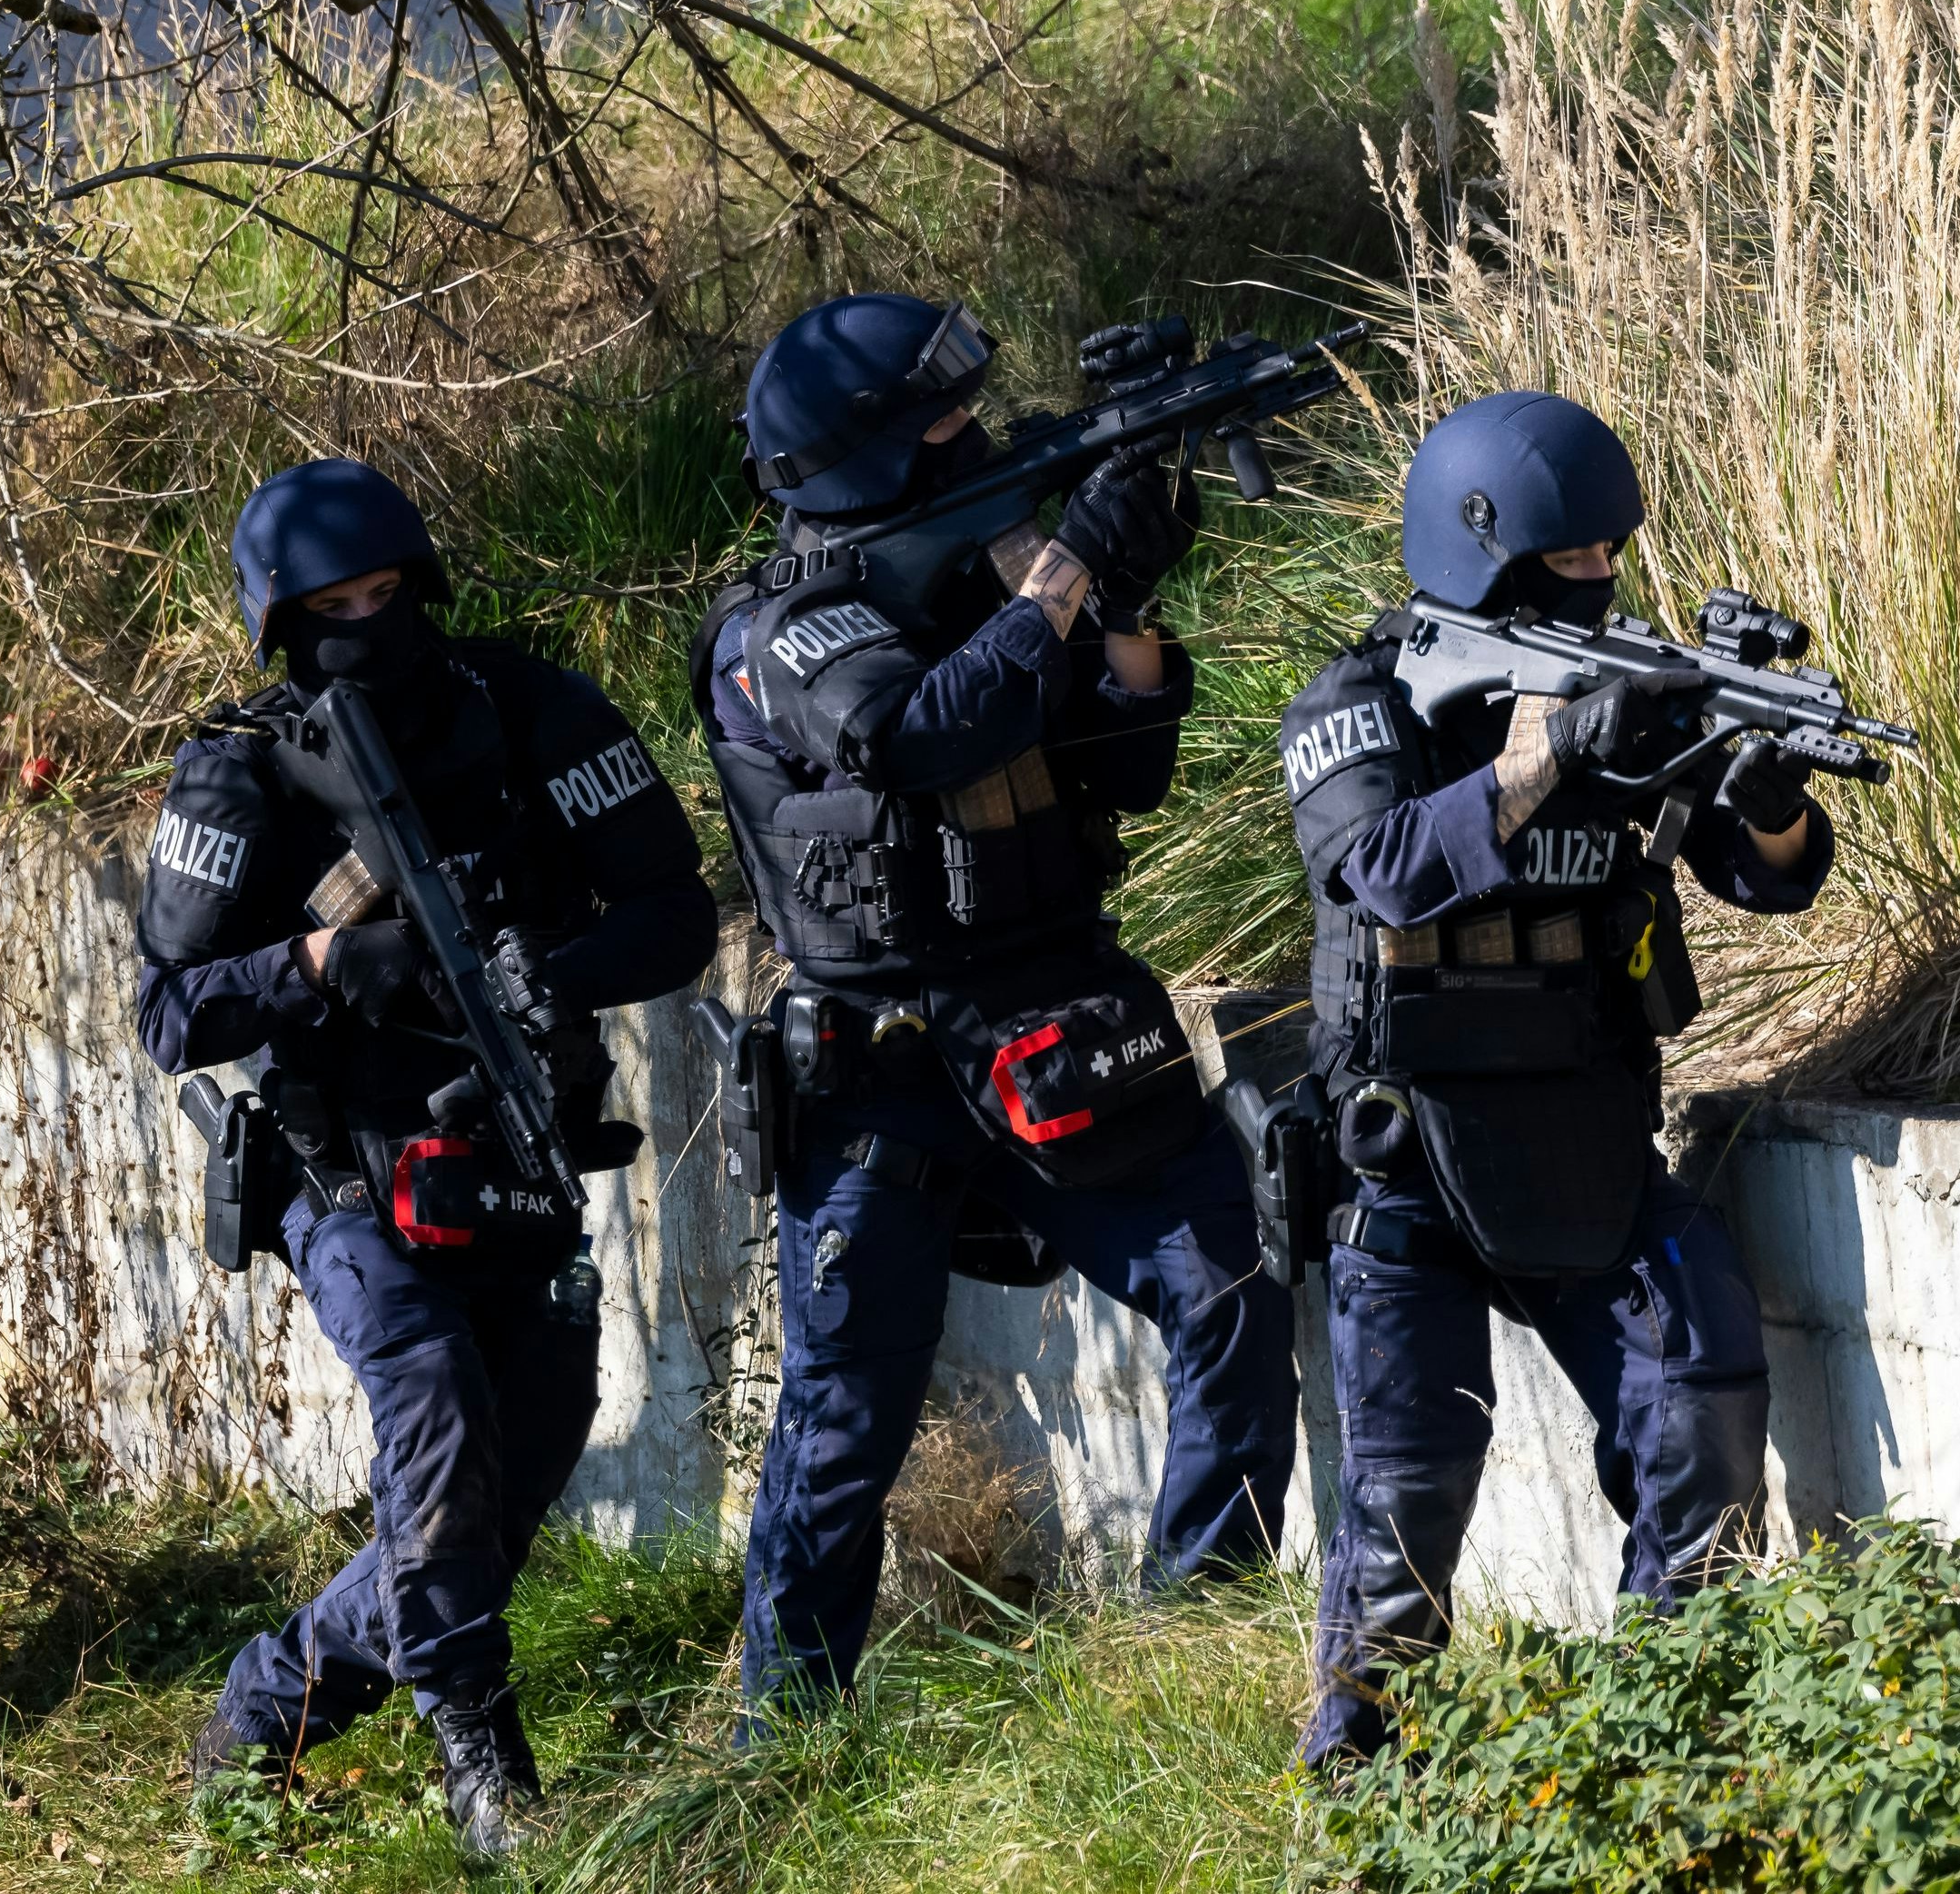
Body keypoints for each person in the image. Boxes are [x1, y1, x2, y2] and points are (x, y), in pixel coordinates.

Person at [694, 293, 1298, 1719]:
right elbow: (919, 729)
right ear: (856, 462)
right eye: (938, 423)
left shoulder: (991, 575)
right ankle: (785, 1742)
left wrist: (1125, 605)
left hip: (1059, 1025)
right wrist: (1067, 562)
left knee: (1229, 1282)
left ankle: (1192, 1654)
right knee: (845, 1424)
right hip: (880, 1069)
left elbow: (1127, 764)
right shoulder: (781, 628)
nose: (972, 433)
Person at [138, 458, 717, 1854]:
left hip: (518, 1155)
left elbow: (678, 911)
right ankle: (482, 1759)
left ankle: (267, 1704)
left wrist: (550, 972)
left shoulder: (530, 712)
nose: (368, 624)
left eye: (387, 594)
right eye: (333, 606)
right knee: (438, 1414)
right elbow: (169, 1009)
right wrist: (327, 958)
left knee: (505, 1481)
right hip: (348, 1175)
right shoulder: (243, 768)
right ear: (283, 625)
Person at [1277, 391, 1840, 1770]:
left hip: (1584, 1141)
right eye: (1570, 564)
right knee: (1410, 1495)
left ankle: (1665, 1743)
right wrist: (1544, 761)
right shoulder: (1362, 702)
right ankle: (1357, 1794)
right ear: (1486, 559)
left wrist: (1762, 795)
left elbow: (1775, 880)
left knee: (1701, 1395)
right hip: (1405, 1160)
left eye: (1608, 558)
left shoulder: (1622, 693)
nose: (1600, 582)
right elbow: (1379, 870)